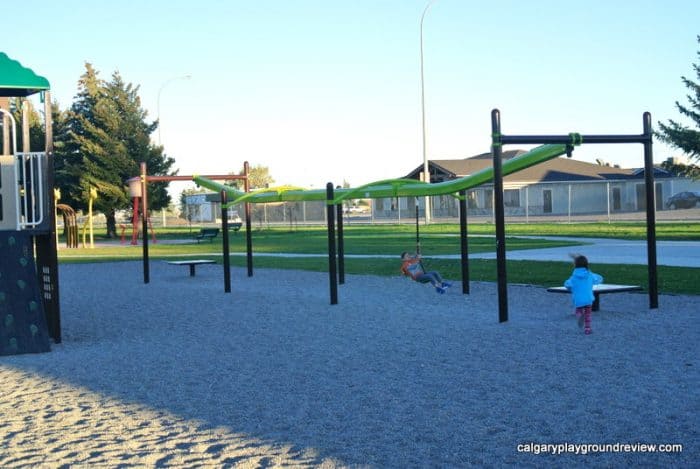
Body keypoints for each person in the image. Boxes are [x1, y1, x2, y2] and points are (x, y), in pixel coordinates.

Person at [564, 254, 603, 335]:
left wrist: (570, 288)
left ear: (575, 265)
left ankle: (580, 316)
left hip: (578, 299)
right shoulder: (590, 275)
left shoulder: (574, 276)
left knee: (578, 310)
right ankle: (587, 329)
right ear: (587, 264)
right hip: (588, 299)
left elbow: (567, 284)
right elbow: (599, 279)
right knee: (588, 314)